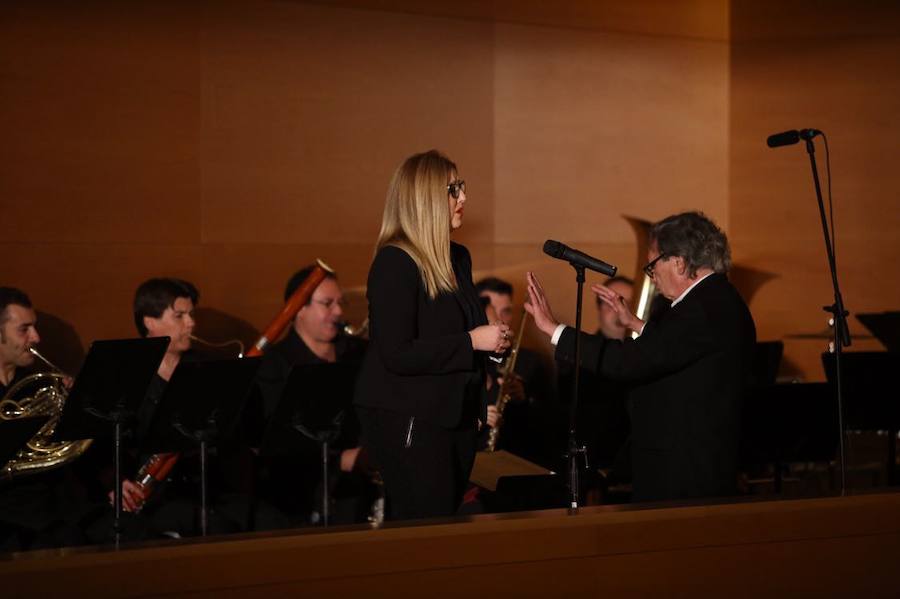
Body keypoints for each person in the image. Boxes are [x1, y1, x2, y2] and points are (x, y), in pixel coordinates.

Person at [526, 212, 756, 502]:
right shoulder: (714, 300)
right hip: (691, 463)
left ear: (679, 261)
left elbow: (630, 361)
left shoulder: (703, 308)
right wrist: (636, 324)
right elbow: (674, 350)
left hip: (685, 473)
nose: (652, 275)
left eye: (652, 265)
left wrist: (555, 329)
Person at [354, 150, 511, 521]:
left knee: (445, 526)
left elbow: (467, 329)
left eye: (462, 187)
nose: (463, 198)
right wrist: (473, 341)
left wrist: (494, 344)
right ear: (425, 197)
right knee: (426, 528)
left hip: (453, 419)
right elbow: (396, 353)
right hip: (412, 420)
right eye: (453, 188)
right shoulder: (394, 262)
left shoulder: (458, 257)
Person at [254, 265, 370, 526]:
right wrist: (340, 459)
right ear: (298, 309)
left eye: (340, 302)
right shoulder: (275, 364)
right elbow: (276, 441)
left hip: (357, 483)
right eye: (327, 303)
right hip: (297, 492)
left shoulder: (358, 353)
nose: (339, 312)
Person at [0, 287, 85, 550]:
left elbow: (71, 452)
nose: (36, 337)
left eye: (34, 327)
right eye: (24, 329)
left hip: (55, 500)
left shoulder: (39, 386)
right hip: (10, 510)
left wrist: (75, 410)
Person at [475, 277, 555, 466]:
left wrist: (523, 399)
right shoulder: (464, 359)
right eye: (492, 312)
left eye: (506, 312)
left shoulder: (529, 361)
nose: (500, 320)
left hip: (513, 462)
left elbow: (548, 426)